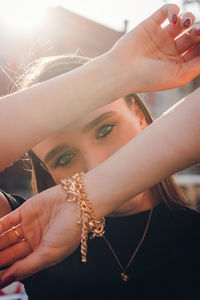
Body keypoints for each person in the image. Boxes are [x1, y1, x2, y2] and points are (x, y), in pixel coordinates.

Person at [0, 3, 200, 299]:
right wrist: (112, 70)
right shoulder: (20, 235)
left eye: (105, 129)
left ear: (141, 115)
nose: (96, 164)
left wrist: (90, 195)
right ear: (48, 172)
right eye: (64, 158)